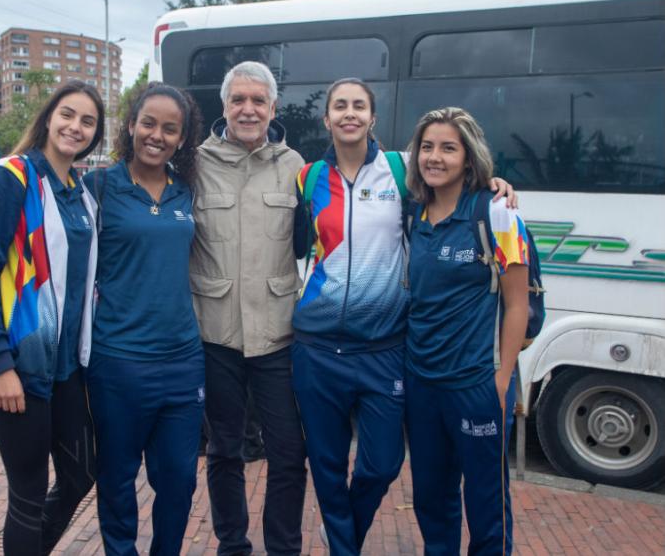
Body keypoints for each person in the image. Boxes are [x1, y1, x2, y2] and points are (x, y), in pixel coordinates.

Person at [291, 79, 516, 555]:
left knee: (382, 465)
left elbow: (452, 176)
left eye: (359, 106)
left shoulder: (400, 171)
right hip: (316, 348)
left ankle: (346, 535)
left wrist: (494, 184)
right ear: (326, 118)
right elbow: (296, 247)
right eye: (339, 106)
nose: (348, 114)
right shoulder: (307, 177)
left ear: (373, 118)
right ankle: (344, 548)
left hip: (383, 350)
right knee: (328, 468)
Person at [0, 80, 104, 555]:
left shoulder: (80, 192)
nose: (75, 127)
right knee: (27, 491)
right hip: (17, 364)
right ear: (48, 117)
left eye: (87, 121)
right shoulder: (11, 177)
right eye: (67, 114)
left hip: (65, 368)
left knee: (82, 472)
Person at [83, 82, 205, 556]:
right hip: (117, 362)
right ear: (131, 125)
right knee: (116, 477)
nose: (157, 135)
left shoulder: (187, 192)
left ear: (182, 137)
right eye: (148, 123)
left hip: (182, 361)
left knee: (178, 479)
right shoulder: (99, 188)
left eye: (170, 129)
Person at [191, 61, 307, 556]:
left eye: (258, 100)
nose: (248, 109)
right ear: (224, 106)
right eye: (238, 99)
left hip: (278, 336)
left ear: (273, 108)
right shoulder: (193, 162)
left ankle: (283, 547)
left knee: (288, 453)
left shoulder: (295, 165)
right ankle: (232, 544)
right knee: (223, 451)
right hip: (215, 334)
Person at [403, 107, 529, 555]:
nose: (434, 157)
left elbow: (518, 304)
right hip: (422, 383)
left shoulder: (496, 212)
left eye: (448, 148)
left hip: (476, 383)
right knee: (431, 500)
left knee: (485, 503)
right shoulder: (413, 214)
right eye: (427, 147)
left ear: (469, 158)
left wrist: (503, 379)